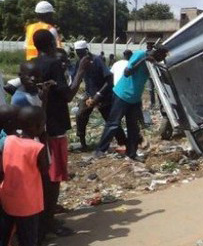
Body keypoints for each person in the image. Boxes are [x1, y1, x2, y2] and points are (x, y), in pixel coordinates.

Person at [31, 30, 88, 238]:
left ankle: (44, 218)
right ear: (53, 43)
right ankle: (49, 223)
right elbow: (68, 95)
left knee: (44, 176)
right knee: (53, 177)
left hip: (38, 125)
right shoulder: (53, 64)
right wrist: (81, 71)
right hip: (54, 126)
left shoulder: (32, 63)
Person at [94, 46, 168, 160]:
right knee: (113, 124)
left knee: (133, 127)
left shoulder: (153, 63)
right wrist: (144, 60)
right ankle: (100, 150)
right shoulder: (140, 55)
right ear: (157, 53)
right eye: (162, 56)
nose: (162, 58)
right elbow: (127, 72)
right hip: (122, 95)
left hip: (135, 98)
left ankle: (132, 153)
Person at [0, 106, 49, 246]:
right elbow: (45, 170)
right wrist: (44, 141)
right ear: (39, 126)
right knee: (28, 238)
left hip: (8, 197)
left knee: (6, 233)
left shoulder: (8, 140)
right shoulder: (36, 147)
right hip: (28, 203)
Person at [73, 41, 126, 151]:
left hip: (103, 94)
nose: (80, 55)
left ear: (86, 50)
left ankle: (123, 142)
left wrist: (99, 94)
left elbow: (109, 79)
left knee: (110, 119)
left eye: (81, 53)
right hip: (89, 94)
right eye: (78, 53)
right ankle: (83, 144)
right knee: (80, 115)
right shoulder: (80, 62)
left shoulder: (97, 60)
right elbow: (75, 78)